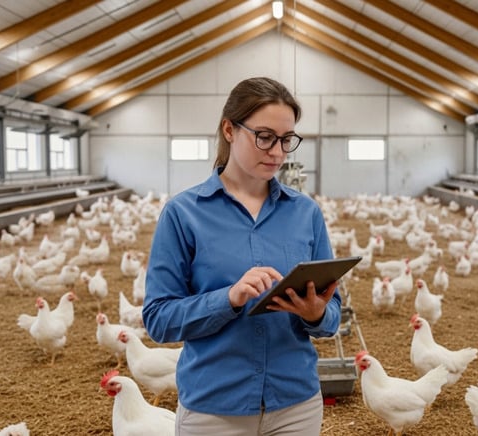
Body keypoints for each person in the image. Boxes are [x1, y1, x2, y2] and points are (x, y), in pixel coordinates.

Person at [143, 77, 341, 435]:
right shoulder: (183, 214)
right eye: (264, 137)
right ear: (229, 130)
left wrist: (317, 314)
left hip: (296, 406)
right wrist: (229, 298)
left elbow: (332, 314)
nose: (278, 152)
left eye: (286, 140)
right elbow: (158, 319)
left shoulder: (306, 213)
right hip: (215, 410)